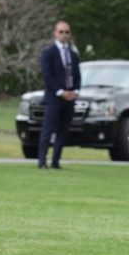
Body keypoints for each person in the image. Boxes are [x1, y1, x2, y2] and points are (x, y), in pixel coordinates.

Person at [36, 21, 80, 169]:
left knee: (63, 131)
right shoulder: (49, 53)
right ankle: (42, 161)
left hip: (69, 98)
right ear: (55, 33)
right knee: (47, 130)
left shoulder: (73, 55)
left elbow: (77, 75)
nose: (64, 35)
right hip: (54, 98)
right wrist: (60, 92)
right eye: (61, 32)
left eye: (66, 32)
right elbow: (48, 76)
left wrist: (75, 91)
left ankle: (56, 162)